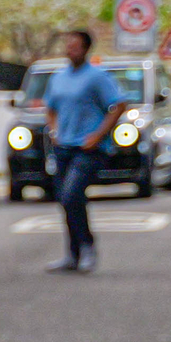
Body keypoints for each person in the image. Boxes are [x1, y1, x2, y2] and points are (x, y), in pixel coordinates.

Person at [42, 28, 123, 274]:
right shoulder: (58, 77)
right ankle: (72, 255)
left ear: (86, 49)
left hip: (88, 149)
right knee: (65, 201)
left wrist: (98, 135)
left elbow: (118, 105)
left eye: (75, 46)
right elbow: (50, 107)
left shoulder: (96, 77)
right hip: (64, 148)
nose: (70, 50)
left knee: (71, 195)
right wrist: (54, 130)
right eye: (68, 45)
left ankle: (87, 247)